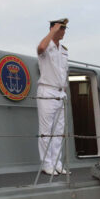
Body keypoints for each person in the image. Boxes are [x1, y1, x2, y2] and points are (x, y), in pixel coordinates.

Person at [36, 17, 69, 175]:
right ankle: (46, 164)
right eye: (61, 29)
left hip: (60, 92)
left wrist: (65, 90)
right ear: (53, 29)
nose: (63, 32)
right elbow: (40, 48)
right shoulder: (46, 45)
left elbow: (64, 72)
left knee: (58, 132)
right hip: (47, 91)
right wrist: (52, 32)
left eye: (63, 29)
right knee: (46, 131)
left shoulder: (63, 50)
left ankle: (57, 162)